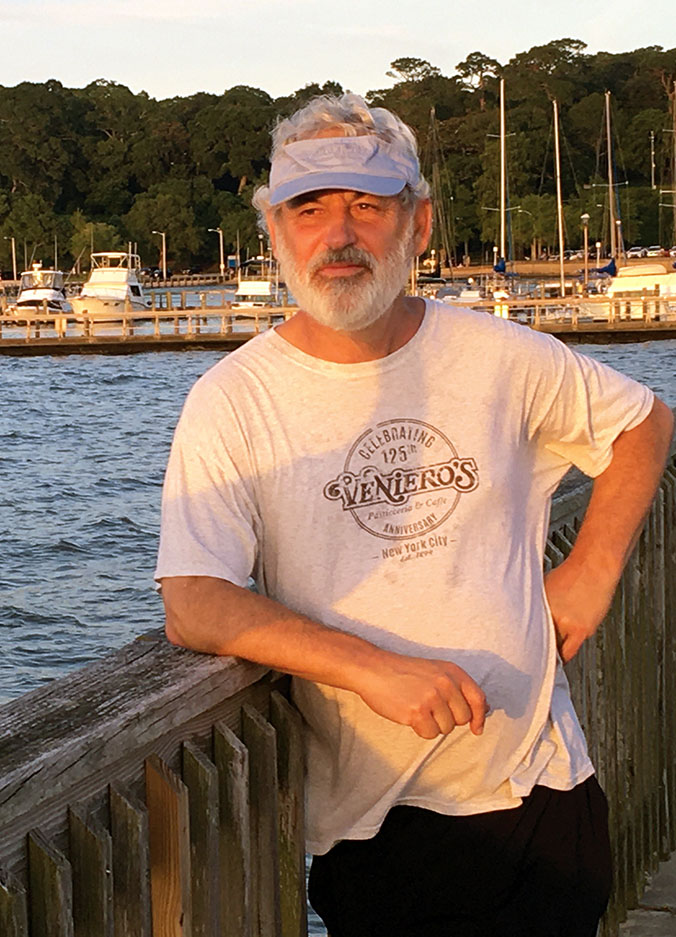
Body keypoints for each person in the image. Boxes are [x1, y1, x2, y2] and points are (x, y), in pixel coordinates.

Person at [155, 93, 674, 937]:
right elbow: (194, 600)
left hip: (542, 791)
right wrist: (368, 666)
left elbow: (644, 421)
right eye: (310, 209)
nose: (340, 234)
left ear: (419, 224)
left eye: (368, 204)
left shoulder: (502, 356)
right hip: (373, 824)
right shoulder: (234, 402)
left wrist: (593, 567)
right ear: (276, 234)